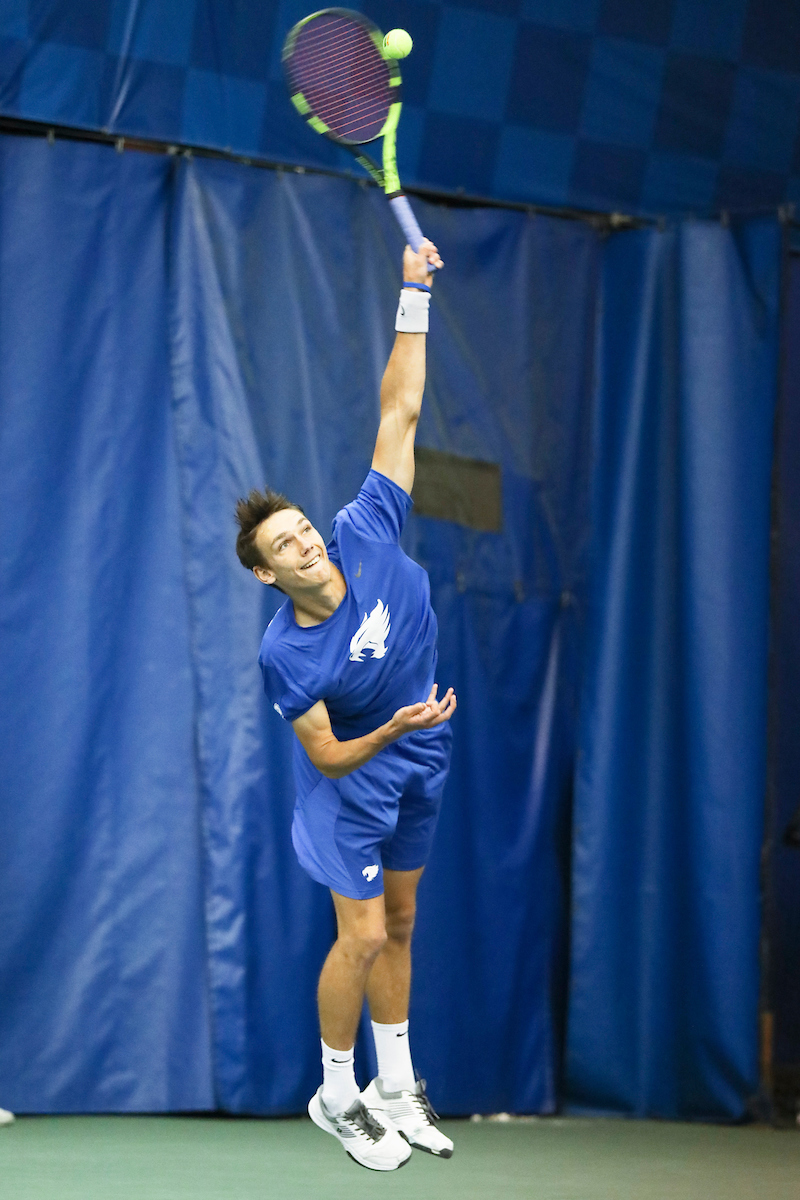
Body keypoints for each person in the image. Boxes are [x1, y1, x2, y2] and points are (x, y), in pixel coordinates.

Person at [235, 238, 456, 1171]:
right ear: (265, 572)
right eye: (284, 546)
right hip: (350, 781)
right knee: (359, 933)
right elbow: (323, 756)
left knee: (402, 925)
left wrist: (413, 293)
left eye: (302, 529)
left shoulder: (366, 526)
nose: (305, 544)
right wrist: (390, 729)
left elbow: (399, 408)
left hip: (419, 753)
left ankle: (395, 1086)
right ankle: (335, 1090)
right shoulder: (285, 651)